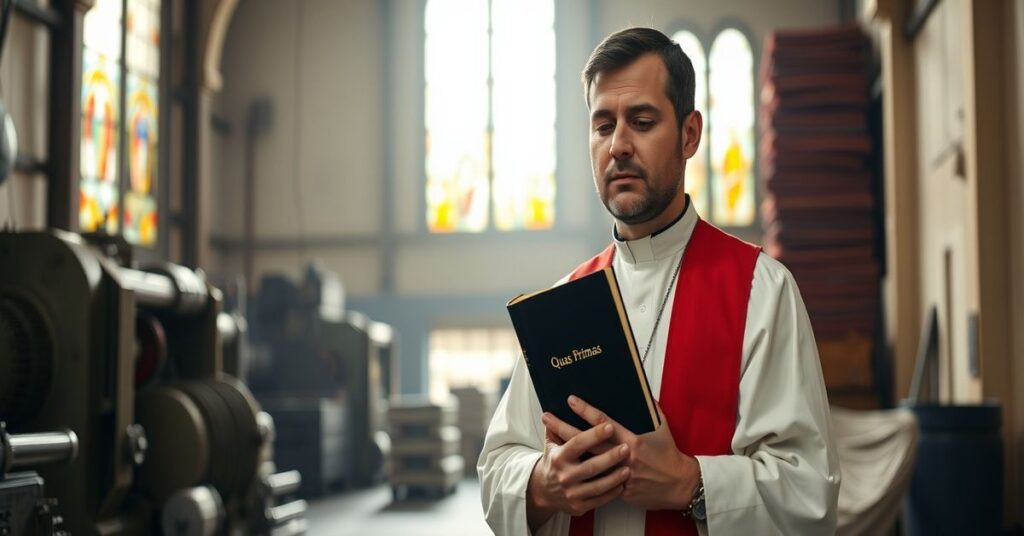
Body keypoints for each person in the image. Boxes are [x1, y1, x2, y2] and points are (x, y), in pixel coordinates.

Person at [478, 27, 839, 536]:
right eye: (603, 126)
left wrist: (689, 482)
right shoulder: (562, 303)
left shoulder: (761, 289)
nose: (619, 145)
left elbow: (810, 494)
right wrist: (542, 483)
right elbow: (496, 468)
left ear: (690, 135)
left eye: (642, 121)